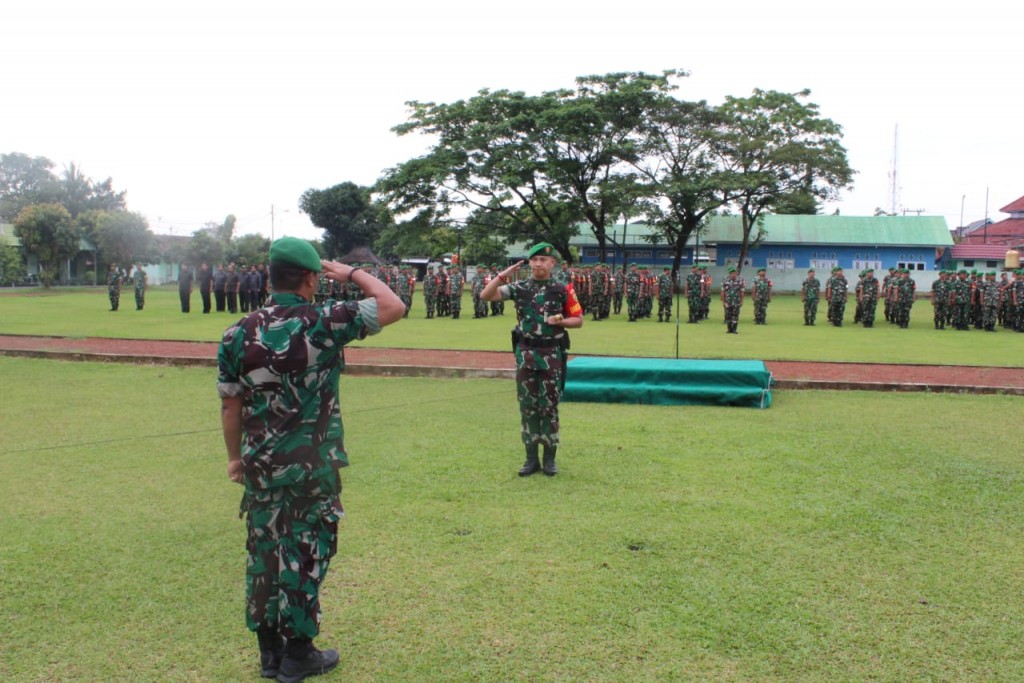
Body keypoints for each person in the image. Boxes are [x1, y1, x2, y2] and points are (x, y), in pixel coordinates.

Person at [218, 237, 405, 682]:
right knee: (305, 552)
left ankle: (269, 652)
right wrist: (352, 272)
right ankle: (298, 653)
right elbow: (393, 305)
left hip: (260, 465)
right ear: (310, 278)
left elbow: (230, 404)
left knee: (265, 552)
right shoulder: (325, 320)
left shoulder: (237, 332)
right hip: (311, 466)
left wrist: (234, 459)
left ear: (269, 277)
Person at [480, 242, 583, 477]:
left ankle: (549, 459)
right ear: (529, 263)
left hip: (551, 356)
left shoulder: (562, 289)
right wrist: (504, 274)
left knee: (549, 407)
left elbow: (578, 320)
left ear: (552, 263)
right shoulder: (519, 288)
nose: (538, 264)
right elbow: (486, 295)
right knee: (528, 408)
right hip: (525, 355)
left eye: (543, 260)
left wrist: (561, 321)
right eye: (534, 260)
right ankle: (531, 459)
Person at [720, 266, 745, 334]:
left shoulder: (740, 281)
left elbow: (742, 292)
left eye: (734, 273)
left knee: (735, 315)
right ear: (729, 274)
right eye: (731, 273)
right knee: (728, 315)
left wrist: (741, 301)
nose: (733, 274)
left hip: (736, 301)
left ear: (736, 273)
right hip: (728, 301)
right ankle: (729, 329)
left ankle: (734, 329)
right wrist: (724, 302)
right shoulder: (725, 281)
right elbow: (723, 292)